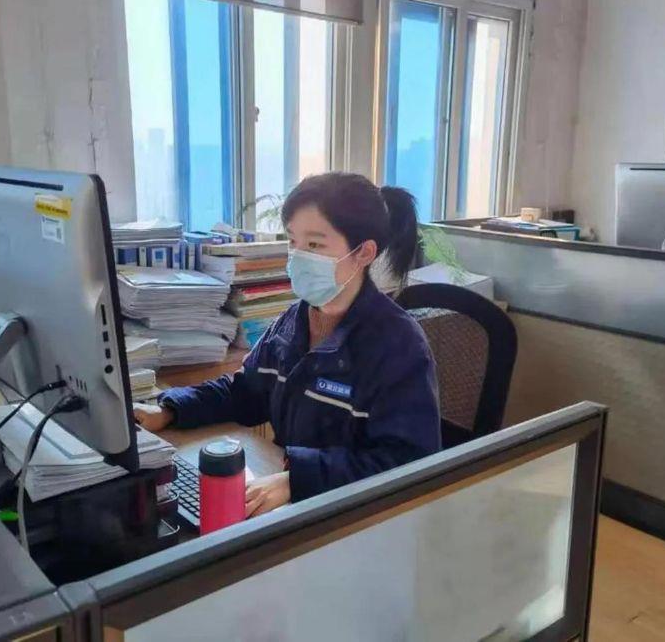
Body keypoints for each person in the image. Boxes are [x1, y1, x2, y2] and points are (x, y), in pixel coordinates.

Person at [135, 173, 440, 517]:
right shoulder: (293, 321)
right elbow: (245, 393)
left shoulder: (398, 345)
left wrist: (297, 480)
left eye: (315, 245)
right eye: (293, 241)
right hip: (291, 505)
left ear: (363, 253)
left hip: (357, 519)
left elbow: (407, 462)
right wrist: (170, 410)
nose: (298, 257)